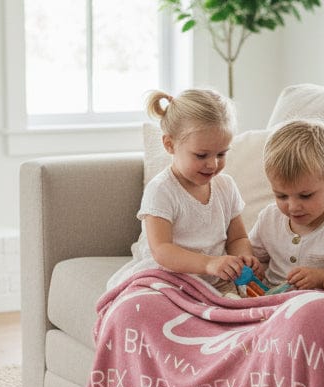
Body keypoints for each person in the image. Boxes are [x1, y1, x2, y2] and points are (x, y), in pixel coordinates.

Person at [106, 88, 260, 293]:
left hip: (213, 280)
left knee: (244, 306)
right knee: (146, 304)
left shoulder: (226, 187)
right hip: (166, 278)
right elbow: (162, 250)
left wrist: (243, 256)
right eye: (201, 155)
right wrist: (208, 263)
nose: (213, 164)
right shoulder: (161, 190)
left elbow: (237, 238)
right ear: (170, 145)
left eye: (221, 154)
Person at [249, 119, 324, 291]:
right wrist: (251, 265)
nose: (293, 207)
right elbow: (255, 255)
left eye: (305, 196)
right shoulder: (269, 217)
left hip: (317, 304)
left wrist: (322, 278)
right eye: (281, 196)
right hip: (268, 299)